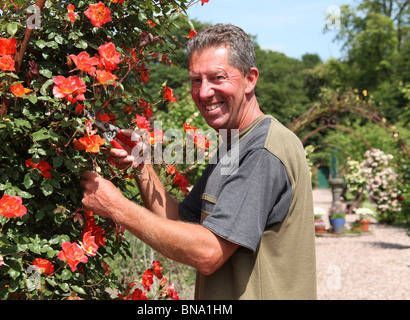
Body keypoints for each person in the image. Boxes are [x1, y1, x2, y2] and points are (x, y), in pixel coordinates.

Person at [81, 23, 317, 300]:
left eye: (217, 77)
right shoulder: (233, 144)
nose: (204, 92)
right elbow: (180, 221)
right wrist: (142, 165)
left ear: (250, 79)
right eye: (196, 80)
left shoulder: (263, 151)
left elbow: (208, 253)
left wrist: (116, 207)